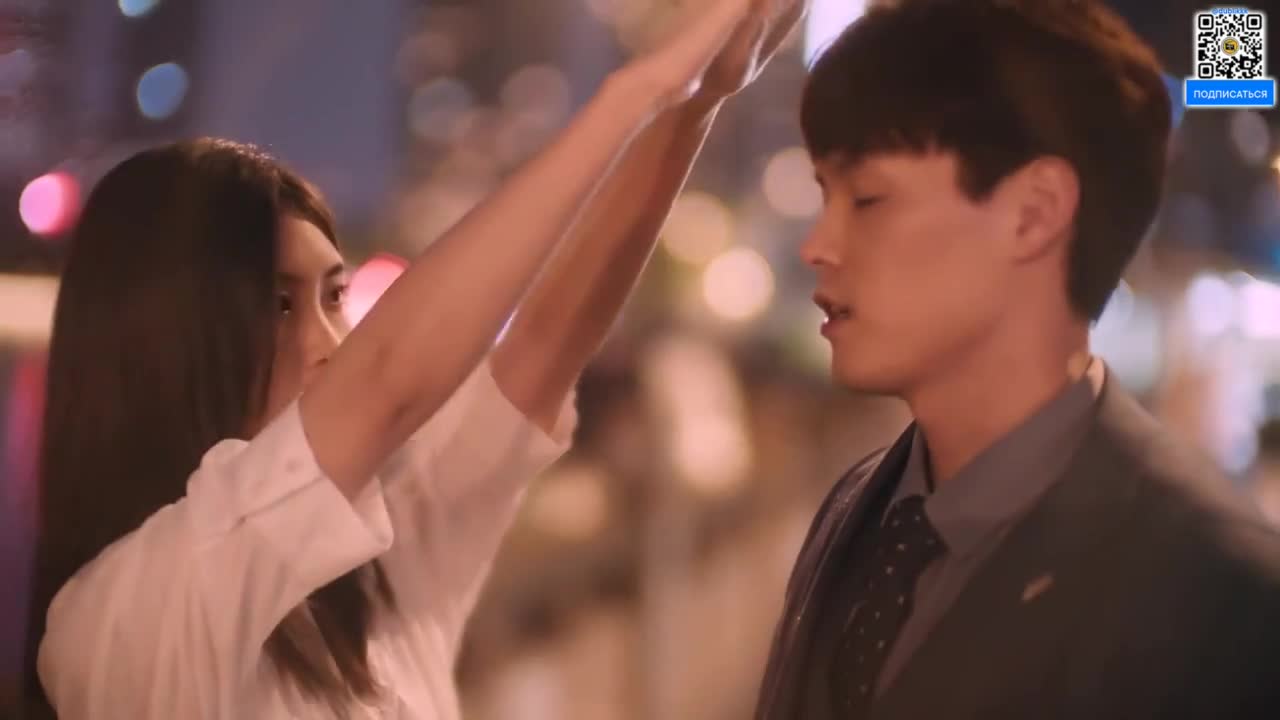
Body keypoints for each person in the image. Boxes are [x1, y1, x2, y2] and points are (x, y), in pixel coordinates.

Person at [23, 0, 807, 716]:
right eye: (281, 306)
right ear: (163, 337)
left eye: (334, 297)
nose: (330, 345)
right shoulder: (125, 618)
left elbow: (544, 344)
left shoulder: (379, 567)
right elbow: (388, 378)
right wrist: (641, 87)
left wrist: (696, 102)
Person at [754, 1, 1280, 718]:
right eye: (825, 195)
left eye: (868, 199)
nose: (817, 245)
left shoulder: (1219, 593)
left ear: (1035, 212)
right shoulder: (856, 511)